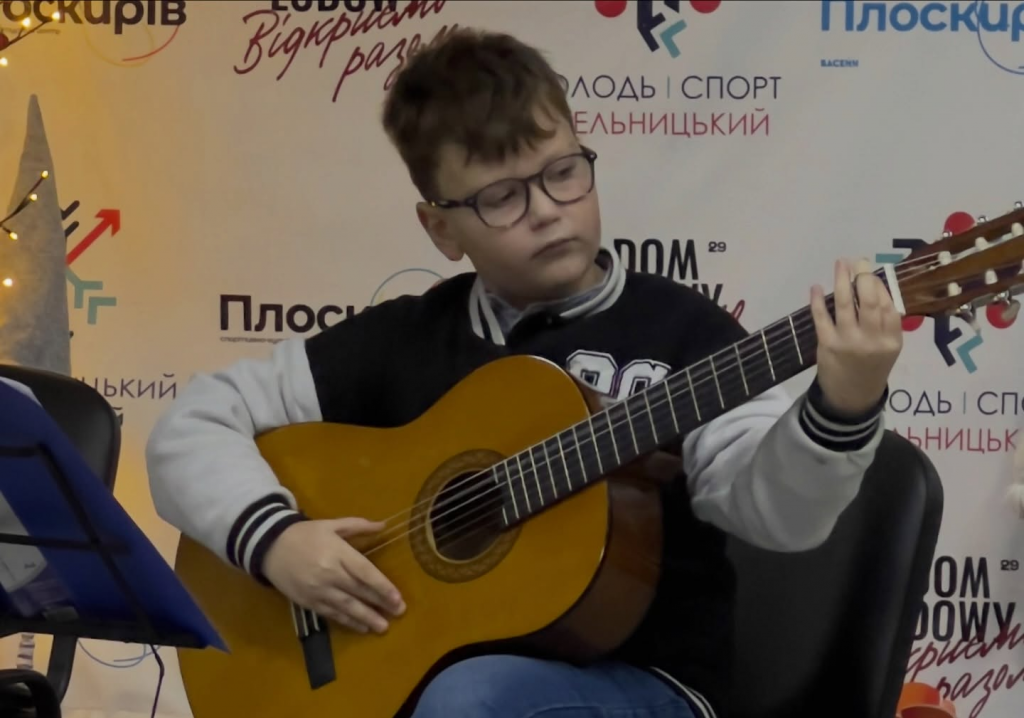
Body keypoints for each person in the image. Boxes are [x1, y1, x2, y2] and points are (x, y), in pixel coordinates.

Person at [145, 28, 903, 718]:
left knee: (467, 702)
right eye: (502, 198)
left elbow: (781, 516)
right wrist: (274, 540)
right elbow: (193, 424)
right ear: (441, 228)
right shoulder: (407, 338)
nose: (547, 211)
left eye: (564, 173)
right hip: (432, 680)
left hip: (650, 686)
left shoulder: (685, 334)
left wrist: (844, 404)